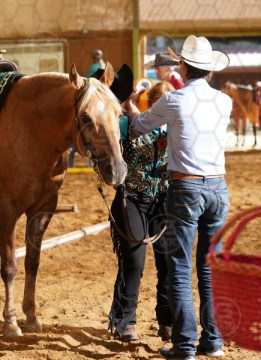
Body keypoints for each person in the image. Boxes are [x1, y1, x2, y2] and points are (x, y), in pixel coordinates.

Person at [128, 35, 232, 360]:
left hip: (186, 187)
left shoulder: (174, 100)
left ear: (183, 67)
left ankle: (185, 345)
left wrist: (131, 106)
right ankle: (213, 341)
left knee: (180, 266)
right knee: (209, 268)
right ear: (209, 70)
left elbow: (139, 127)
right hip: (219, 187)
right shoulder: (224, 101)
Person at [109, 81, 174, 343]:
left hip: (164, 199)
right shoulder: (128, 124)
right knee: (133, 262)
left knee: (168, 262)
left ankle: (167, 321)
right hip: (132, 199)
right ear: (150, 104)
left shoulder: (177, 126)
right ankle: (125, 322)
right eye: (158, 106)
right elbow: (106, 146)